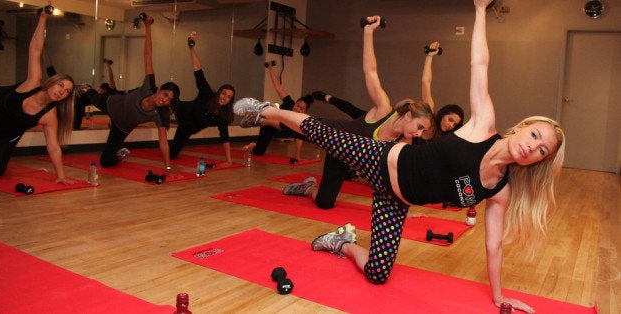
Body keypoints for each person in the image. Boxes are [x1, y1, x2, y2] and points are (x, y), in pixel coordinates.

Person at [232, 3, 565, 312]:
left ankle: (342, 242)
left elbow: (494, 247)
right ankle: (268, 109)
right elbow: (480, 65)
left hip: (396, 201)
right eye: (534, 135)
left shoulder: (499, 190)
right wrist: (479, 9)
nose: (531, 147)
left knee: (378, 273)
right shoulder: (482, 126)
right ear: (521, 127)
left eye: (541, 151)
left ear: (538, 162)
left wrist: (499, 297)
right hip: (383, 159)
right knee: (320, 132)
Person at [279, 16, 433, 210]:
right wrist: (368, 32)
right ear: (409, 115)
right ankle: (265, 112)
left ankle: (308, 188)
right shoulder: (384, 108)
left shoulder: (403, 143)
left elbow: (396, 175)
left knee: (324, 203)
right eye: (420, 127)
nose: (419, 134)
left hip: (348, 162)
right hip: (335, 137)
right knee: (285, 124)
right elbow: (371, 72)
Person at [77, 14, 179, 174]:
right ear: (159, 90)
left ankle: (120, 155)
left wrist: (167, 168)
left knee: (106, 162)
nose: (164, 100)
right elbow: (147, 54)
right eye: (165, 94)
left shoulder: (158, 114)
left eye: (169, 100)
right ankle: (87, 88)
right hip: (112, 104)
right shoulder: (149, 85)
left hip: (121, 128)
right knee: (92, 96)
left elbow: (164, 143)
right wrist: (147, 26)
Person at [0, 4, 76, 185]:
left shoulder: (49, 115)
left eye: (67, 91)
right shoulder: (34, 82)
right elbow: (35, 50)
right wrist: (43, 18)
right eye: (61, 85)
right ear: (52, 82)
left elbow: (53, 147)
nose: (62, 91)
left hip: (6, 136)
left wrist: (60, 176)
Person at [169, 32, 235, 166]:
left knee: (172, 155)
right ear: (219, 93)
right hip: (181, 109)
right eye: (223, 93)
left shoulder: (222, 116)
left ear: (230, 101)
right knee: (169, 94)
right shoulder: (207, 94)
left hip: (186, 129)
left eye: (228, 97)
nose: (224, 98)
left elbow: (225, 137)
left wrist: (229, 160)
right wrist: (191, 47)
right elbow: (198, 70)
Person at [240, 61, 313, 161]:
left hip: (282, 130)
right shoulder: (289, 102)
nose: (297, 109)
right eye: (297, 106)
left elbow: (299, 138)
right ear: (295, 103)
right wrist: (270, 68)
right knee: (258, 152)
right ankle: (253, 145)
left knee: (293, 128)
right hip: (269, 125)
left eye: (301, 109)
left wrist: (297, 156)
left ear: (304, 111)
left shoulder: (301, 118)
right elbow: (277, 86)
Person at [414, 41, 465, 144]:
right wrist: (430, 56)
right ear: (443, 114)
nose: (451, 126)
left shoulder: (446, 138)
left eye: (454, 124)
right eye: (450, 120)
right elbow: (425, 82)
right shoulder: (429, 117)